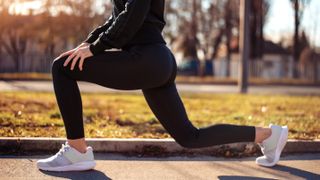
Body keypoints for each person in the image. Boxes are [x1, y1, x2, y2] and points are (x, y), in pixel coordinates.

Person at [37, 0, 288, 172]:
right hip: (158, 60)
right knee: (190, 137)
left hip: (147, 59)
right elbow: (116, 17)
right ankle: (268, 135)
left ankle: (77, 151)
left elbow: (132, 15)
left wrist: (96, 47)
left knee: (61, 68)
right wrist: (87, 44)